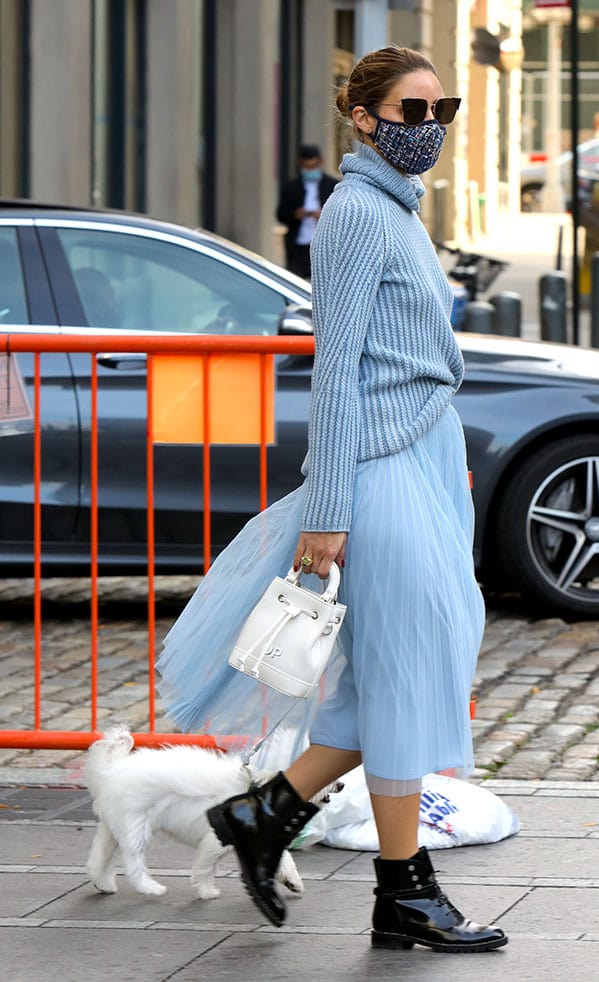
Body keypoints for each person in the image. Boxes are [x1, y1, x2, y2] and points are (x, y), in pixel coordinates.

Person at [157, 45, 507, 955]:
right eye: (409, 109)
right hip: (379, 470)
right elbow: (337, 371)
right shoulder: (354, 214)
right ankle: (404, 892)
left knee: (405, 664)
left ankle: (265, 815)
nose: (428, 126)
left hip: (417, 461)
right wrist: (330, 507)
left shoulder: (395, 211)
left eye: (443, 108)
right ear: (361, 118)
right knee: (406, 670)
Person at [276, 144, 338, 278]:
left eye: (313, 166)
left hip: (324, 246)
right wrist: (295, 214)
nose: (310, 170)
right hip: (298, 247)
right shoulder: (291, 187)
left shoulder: (332, 185)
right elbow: (280, 214)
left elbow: (341, 216)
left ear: (320, 162)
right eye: (306, 167)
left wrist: (324, 215)